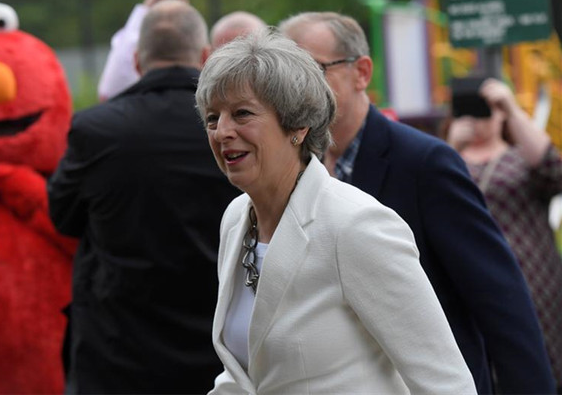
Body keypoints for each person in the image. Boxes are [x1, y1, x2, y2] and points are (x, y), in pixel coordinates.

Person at [279, 11, 556, 394]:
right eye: (288, 76)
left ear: (362, 72)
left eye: (313, 70)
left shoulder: (423, 163)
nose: (296, 90)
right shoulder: (294, 170)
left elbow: (499, 298)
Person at [194, 29, 476, 394]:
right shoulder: (236, 219)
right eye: (212, 118)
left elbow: (446, 382)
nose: (222, 132)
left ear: (297, 125)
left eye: (242, 113)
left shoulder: (355, 225)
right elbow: (246, 374)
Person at [48, 0, 240, 394]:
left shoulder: (96, 130)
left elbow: (63, 216)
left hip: (119, 354)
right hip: (223, 353)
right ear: (206, 57)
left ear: (136, 60)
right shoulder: (239, 131)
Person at [446, 78, 562, 391]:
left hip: (534, 286)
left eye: (487, 109)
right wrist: (452, 146)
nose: (478, 117)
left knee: (540, 369)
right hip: (472, 290)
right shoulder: (446, 160)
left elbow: (554, 171)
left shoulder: (522, 157)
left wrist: (511, 108)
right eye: (469, 109)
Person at [97, 0, 266, 102]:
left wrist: (147, 9)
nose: (236, 66)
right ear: (206, 58)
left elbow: (112, 92)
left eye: (250, 54)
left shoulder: (219, 118)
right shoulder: (212, 115)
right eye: (225, 55)